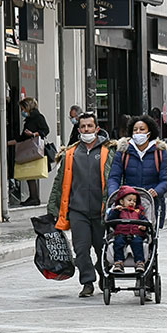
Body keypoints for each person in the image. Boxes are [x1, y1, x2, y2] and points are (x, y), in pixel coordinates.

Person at [47, 112, 120, 297]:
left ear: (97, 128)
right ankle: (87, 282)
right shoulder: (71, 153)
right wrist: (53, 209)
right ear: (78, 129)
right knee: (81, 249)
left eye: (89, 126)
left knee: (102, 247)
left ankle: (104, 275)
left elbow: (116, 178)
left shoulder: (108, 151)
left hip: (101, 210)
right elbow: (60, 182)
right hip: (77, 210)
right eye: (83, 127)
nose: (86, 129)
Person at [108, 115, 167, 228]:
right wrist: (114, 194)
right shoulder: (124, 152)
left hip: (151, 203)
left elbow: (166, 180)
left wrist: (157, 191)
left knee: (148, 235)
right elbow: (114, 177)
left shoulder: (160, 153)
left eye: (142, 129)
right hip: (128, 201)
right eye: (135, 130)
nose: (138, 132)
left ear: (149, 132)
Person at [9, 97, 50, 207]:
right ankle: (33, 197)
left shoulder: (38, 117)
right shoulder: (30, 118)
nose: (22, 111)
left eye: (23, 108)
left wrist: (33, 134)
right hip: (28, 148)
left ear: (27, 108)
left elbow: (45, 130)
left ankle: (34, 197)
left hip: (32, 149)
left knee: (31, 173)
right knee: (29, 174)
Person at [107, 185, 147, 273]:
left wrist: (144, 227)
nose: (132, 202)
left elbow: (145, 221)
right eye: (129, 200)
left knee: (138, 243)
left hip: (136, 233)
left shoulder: (138, 212)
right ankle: (118, 262)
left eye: (134, 201)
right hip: (121, 233)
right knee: (118, 243)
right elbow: (110, 221)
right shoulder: (118, 211)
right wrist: (116, 211)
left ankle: (140, 262)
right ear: (121, 201)